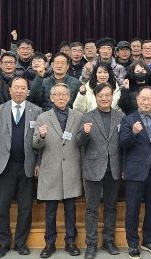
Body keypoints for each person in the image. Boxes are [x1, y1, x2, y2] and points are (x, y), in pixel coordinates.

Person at [0, 76, 42, 258]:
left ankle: (21, 243)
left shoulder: (36, 110)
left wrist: (38, 163)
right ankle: (3, 243)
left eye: (23, 88)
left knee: (25, 207)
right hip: (4, 166)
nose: (19, 91)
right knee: (2, 207)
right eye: (16, 87)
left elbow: (40, 141)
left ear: (28, 91)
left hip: (27, 165)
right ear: (9, 90)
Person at [33, 83, 84, 258]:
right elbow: (35, 144)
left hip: (71, 168)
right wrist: (41, 136)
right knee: (50, 210)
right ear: (51, 97)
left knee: (70, 209)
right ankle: (49, 243)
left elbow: (82, 142)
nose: (61, 97)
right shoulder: (42, 117)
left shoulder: (78, 116)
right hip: (50, 169)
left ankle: (70, 242)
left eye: (64, 94)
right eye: (57, 95)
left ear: (69, 97)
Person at [77, 83, 125, 259]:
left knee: (111, 207)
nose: (104, 98)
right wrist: (85, 133)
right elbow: (79, 143)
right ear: (95, 97)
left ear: (112, 96)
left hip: (114, 168)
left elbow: (123, 144)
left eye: (107, 95)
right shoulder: (87, 116)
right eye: (101, 95)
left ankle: (109, 240)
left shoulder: (120, 116)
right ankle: (91, 244)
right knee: (92, 208)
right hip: (93, 168)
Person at [119, 86, 151, 259]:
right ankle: (132, 244)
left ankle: (148, 241)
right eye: (143, 99)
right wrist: (134, 133)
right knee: (133, 209)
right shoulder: (128, 119)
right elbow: (123, 144)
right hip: (135, 171)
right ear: (137, 100)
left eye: (149, 99)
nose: (146, 102)